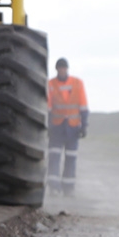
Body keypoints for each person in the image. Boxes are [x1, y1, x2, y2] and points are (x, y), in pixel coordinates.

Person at [47, 57, 89, 195]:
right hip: (56, 128)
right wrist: (47, 126)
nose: (62, 70)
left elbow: (83, 105)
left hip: (73, 128)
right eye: (60, 68)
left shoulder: (78, 83)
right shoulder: (51, 84)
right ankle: (53, 187)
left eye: (64, 68)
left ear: (67, 69)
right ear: (57, 69)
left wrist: (84, 126)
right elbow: (47, 107)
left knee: (71, 158)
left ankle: (68, 188)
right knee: (54, 158)